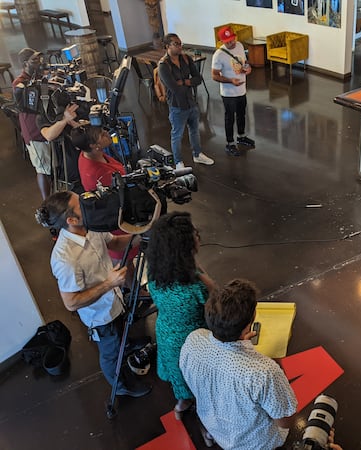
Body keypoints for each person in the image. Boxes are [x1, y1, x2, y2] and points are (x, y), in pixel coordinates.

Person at [35, 191, 151, 397]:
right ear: (71, 220)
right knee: (111, 353)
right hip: (101, 317)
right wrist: (109, 284)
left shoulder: (90, 226)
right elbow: (71, 303)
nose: (90, 205)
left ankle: (127, 343)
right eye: (82, 204)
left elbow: (113, 243)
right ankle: (122, 385)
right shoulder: (65, 259)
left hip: (114, 300)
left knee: (121, 329)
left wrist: (140, 234)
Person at [180, 279, 297, 450]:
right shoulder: (264, 371)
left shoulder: (193, 340)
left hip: (213, 426)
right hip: (256, 444)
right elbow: (286, 420)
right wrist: (274, 361)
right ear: (249, 326)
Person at [145, 212, 216, 420]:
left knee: (179, 375)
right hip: (195, 339)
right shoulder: (195, 285)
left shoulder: (155, 272)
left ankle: (182, 403)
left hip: (167, 333)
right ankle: (207, 423)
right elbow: (215, 304)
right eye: (194, 234)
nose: (197, 235)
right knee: (200, 380)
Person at [71, 125, 140, 287]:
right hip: (116, 219)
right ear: (95, 146)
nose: (107, 134)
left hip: (117, 211)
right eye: (102, 135)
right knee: (124, 261)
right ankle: (131, 290)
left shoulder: (91, 154)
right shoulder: (97, 173)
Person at [158, 33, 214, 169]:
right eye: (176, 44)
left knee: (194, 130)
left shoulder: (186, 59)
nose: (179, 46)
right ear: (167, 46)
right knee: (176, 135)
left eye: (180, 43)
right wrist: (188, 83)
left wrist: (184, 82)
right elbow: (173, 88)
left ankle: (197, 154)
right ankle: (178, 162)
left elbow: (198, 79)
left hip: (191, 102)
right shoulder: (163, 66)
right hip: (177, 106)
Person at [12, 48, 52, 199]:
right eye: (34, 60)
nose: (39, 63)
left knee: (49, 165)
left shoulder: (38, 77)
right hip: (34, 131)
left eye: (39, 59)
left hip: (43, 126)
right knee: (42, 168)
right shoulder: (19, 83)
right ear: (25, 64)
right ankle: (46, 201)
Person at [212, 26, 255, 157]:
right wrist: (231, 81)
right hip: (229, 93)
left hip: (241, 90)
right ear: (222, 41)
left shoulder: (240, 46)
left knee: (242, 114)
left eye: (232, 39)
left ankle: (241, 136)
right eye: (228, 41)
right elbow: (214, 75)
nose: (231, 43)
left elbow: (244, 62)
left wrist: (248, 68)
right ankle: (230, 143)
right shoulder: (218, 55)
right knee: (229, 118)